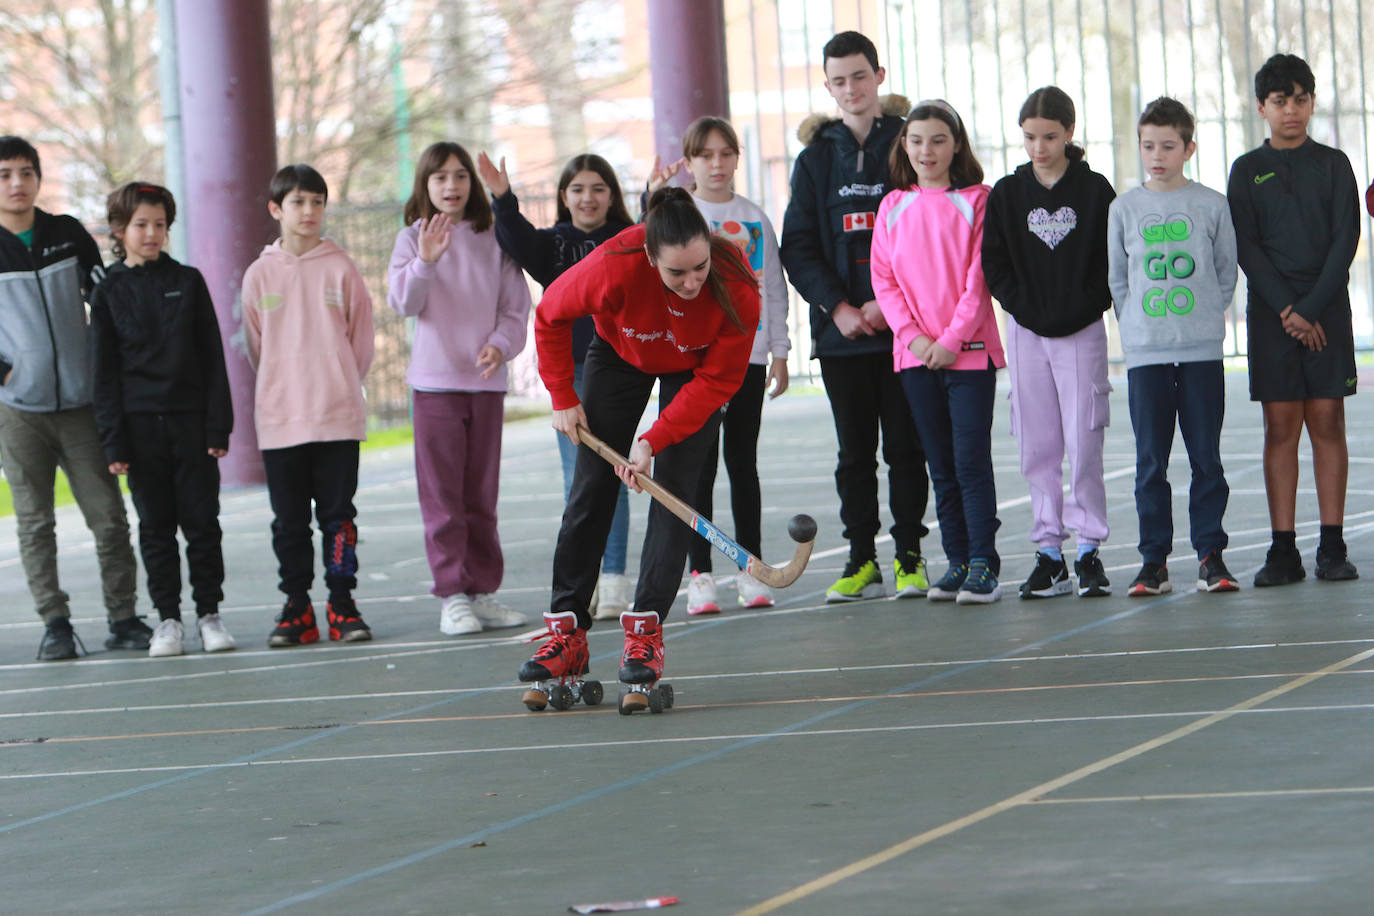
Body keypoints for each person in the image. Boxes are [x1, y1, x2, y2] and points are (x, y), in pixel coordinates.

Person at [519, 187, 760, 710]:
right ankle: (568, 635)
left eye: (699, 267)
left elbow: (718, 383)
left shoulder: (736, 281)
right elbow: (550, 316)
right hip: (621, 355)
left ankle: (645, 633)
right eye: (677, 274)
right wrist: (562, 394)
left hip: (694, 373)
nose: (692, 281)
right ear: (651, 257)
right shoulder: (615, 262)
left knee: (675, 489)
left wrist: (653, 439)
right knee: (591, 489)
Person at [780, 30, 930, 604]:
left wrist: (889, 305)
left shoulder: (909, 142)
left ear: (879, 77)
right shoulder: (815, 158)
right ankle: (861, 557)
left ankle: (910, 557)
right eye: (838, 80)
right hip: (842, 334)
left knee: (906, 448)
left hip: (904, 332)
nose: (850, 89)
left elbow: (926, 233)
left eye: (859, 77)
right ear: (827, 86)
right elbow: (798, 245)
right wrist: (838, 307)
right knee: (854, 455)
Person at [0, 136, 150, 660]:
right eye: (4, 175)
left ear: (39, 178)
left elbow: (104, 301)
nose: (17, 184)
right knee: (35, 523)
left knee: (109, 518)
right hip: (18, 412)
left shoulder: (67, 234)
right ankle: (55, 623)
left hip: (84, 406)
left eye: (25, 172)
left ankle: (124, 617)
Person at [477, 150, 635, 621]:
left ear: (612, 196)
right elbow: (517, 239)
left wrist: (657, 195)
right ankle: (582, 582)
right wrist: (503, 198)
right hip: (572, 373)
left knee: (614, 471)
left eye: (598, 188)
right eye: (578, 189)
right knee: (579, 480)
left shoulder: (626, 240)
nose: (588, 198)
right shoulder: (555, 245)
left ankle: (613, 581)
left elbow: (662, 238)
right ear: (565, 198)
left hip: (619, 370)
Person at [648, 116, 791, 614]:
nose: (716, 163)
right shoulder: (678, 214)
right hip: (693, 363)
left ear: (736, 158)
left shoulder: (753, 216)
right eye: (704, 155)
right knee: (697, 467)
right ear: (688, 163)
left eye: (724, 153)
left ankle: (750, 571)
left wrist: (780, 350)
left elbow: (771, 286)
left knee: (742, 463)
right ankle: (699, 574)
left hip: (746, 358)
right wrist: (653, 193)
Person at [1227, 53, 1360, 585]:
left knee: (1327, 420)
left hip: (1326, 311)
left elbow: (1345, 239)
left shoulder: (1334, 164)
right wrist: (1287, 310)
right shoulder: (1244, 170)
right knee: (1280, 426)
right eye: (1280, 101)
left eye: (1300, 99)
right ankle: (1283, 550)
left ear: (1311, 102)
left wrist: (1309, 309)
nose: (1291, 110)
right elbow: (1247, 248)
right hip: (1271, 317)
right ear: (1261, 106)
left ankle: (1332, 545)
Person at [389, 142, 532, 636]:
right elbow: (403, 303)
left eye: (459, 176)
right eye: (439, 178)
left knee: (480, 497)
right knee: (443, 498)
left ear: (472, 183)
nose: (451, 186)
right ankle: (452, 595)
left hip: (485, 386)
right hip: (434, 388)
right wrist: (425, 262)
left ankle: (482, 592)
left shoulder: (495, 237)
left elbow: (516, 309)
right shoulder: (411, 239)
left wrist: (499, 345)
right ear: (424, 186)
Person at [90, 182, 237, 656]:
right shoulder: (107, 290)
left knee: (202, 522)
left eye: (159, 224)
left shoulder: (189, 281)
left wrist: (218, 426)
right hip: (139, 429)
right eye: (141, 225)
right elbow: (104, 374)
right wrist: (113, 443)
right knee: (154, 528)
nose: (151, 233)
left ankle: (210, 614)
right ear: (120, 230)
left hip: (192, 425)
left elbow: (214, 358)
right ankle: (168, 619)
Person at [982, 86, 1116, 600]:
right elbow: (995, 263)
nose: (1039, 147)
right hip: (1027, 332)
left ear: (1070, 133)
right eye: (1030, 137)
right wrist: (1027, 311)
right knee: (1037, 442)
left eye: (1050, 137)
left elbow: (1109, 263)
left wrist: (1082, 308)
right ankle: (1047, 551)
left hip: (1081, 330)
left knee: (1084, 438)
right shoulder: (1008, 194)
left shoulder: (1095, 190)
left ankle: (1088, 550)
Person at [871, 100, 1006, 604]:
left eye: (938, 140)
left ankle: (983, 565)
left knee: (971, 461)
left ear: (956, 146)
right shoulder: (892, 206)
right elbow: (884, 281)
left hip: (968, 356)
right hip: (915, 359)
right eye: (916, 140)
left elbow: (979, 278)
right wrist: (917, 340)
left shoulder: (978, 200)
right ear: (904, 147)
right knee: (941, 465)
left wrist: (950, 341)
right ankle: (955, 561)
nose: (926, 150)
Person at [1109, 98, 1240, 596]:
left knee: (1206, 457)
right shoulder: (1124, 208)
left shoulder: (1211, 204)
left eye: (1168, 146)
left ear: (1189, 147)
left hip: (1202, 351)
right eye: (1148, 146)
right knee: (1150, 462)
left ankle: (1211, 555)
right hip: (1146, 353)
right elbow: (1118, 281)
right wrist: (1140, 328)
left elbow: (1226, 271)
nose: (1157, 155)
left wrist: (1206, 315)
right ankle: (1153, 561)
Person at [242, 164, 375, 646]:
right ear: (277, 209)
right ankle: (296, 607)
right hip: (280, 421)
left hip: (337, 417)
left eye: (317, 202)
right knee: (289, 523)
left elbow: (361, 340)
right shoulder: (259, 275)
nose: (309, 211)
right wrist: (286, 385)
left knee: (339, 519)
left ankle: (343, 604)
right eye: (298, 202)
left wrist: (338, 384)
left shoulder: (342, 268)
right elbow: (257, 346)